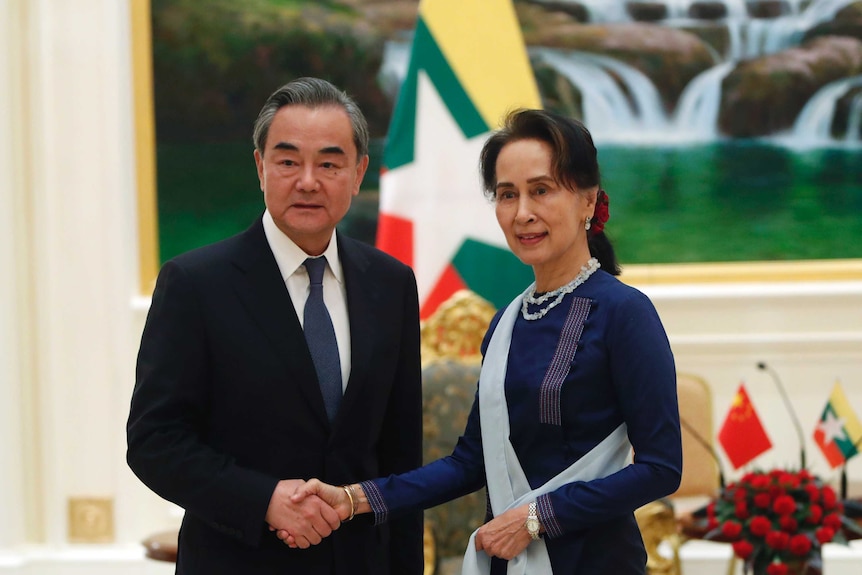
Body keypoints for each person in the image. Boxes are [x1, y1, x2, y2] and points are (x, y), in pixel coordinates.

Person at [288, 109, 683, 574]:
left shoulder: (624, 314)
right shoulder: (506, 324)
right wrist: (354, 499)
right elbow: (468, 464)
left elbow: (661, 467)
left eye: (541, 190)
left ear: (588, 201)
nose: (522, 213)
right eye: (506, 195)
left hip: (594, 562)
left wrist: (538, 518)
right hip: (506, 559)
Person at [126, 77, 425, 575]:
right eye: (288, 161)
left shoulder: (391, 284)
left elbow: (400, 459)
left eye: (329, 163)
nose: (308, 180)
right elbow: (155, 441)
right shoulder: (196, 284)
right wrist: (263, 498)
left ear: (359, 173)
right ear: (260, 167)